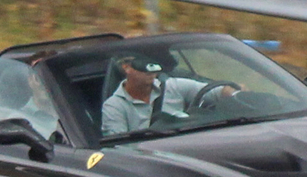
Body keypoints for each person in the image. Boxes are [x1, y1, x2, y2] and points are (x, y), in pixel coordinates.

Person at [100, 53, 238, 136]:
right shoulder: (114, 106)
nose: (151, 71)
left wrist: (234, 93)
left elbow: (215, 92)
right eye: (142, 65)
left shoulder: (174, 86)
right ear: (127, 68)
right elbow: (118, 147)